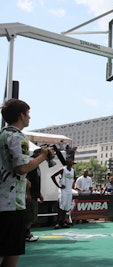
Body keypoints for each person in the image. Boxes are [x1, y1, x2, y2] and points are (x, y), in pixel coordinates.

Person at [0, 99, 53, 267]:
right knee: (10, 251)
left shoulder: (3, 134)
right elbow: (22, 168)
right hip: (11, 204)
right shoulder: (17, 136)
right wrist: (42, 157)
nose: (29, 117)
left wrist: (35, 156)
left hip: (4, 199)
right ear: (21, 115)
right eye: (27, 113)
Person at [25, 149, 44, 242]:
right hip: (30, 194)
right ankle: (26, 234)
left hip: (35, 194)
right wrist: (27, 193)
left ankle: (26, 233)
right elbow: (26, 180)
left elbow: (37, 180)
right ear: (36, 154)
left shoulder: (37, 166)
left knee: (33, 215)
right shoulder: (30, 164)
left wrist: (39, 193)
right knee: (30, 215)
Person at [51, 158, 76, 229]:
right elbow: (53, 176)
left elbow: (74, 178)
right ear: (67, 163)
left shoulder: (73, 171)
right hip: (63, 191)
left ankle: (63, 222)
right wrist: (58, 185)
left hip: (69, 191)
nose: (72, 163)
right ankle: (58, 222)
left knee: (66, 207)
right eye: (70, 162)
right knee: (61, 206)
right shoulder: (63, 169)